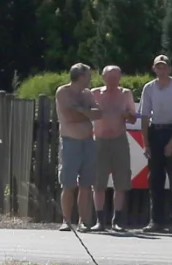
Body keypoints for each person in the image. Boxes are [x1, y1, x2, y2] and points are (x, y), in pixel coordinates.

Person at [138, 54, 172, 233]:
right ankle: (156, 221)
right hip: (155, 132)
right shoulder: (149, 88)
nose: (161, 70)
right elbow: (144, 116)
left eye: (164, 67)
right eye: (158, 67)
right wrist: (146, 143)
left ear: (169, 69)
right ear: (154, 69)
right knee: (155, 179)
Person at [55, 63, 100, 231]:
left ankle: (84, 221)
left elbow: (98, 113)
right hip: (70, 142)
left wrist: (81, 111)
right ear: (80, 77)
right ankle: (66, 221)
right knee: (68, 184)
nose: (90, 79)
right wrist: (86, 113)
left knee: (86, 184)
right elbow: (69, 116)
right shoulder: (63, 92)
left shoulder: (87, 94)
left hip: (88, 142)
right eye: (88, 75)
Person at [92, 65, 137, 232]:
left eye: (116, 78)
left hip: (119, 140)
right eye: (109, 78)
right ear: (103, 78)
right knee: (98, 182)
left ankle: (117, 220)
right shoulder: (95, 93)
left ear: (120, 78)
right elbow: (84, 113)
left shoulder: (126, 94)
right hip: (99, 141)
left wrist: (126, 115)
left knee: (121, 181)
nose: (113, 81)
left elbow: (133, 118)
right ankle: (99, 220)